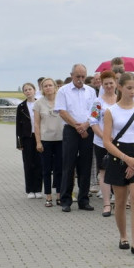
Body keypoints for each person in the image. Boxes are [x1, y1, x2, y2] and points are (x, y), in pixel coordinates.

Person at [103, 72, 134, 255]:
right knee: (120, 201)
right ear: (120, 87)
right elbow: (107, 141)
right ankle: (123, 236)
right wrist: (126, 159)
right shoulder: (111, 111)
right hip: (118, 155)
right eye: (128, 88)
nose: (132, 91)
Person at [54, 64, 96, 212]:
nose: (80, 79)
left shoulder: (91, 91)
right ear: (71, 75)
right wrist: (77, 126)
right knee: (68, 165)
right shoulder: (63, 91)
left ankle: (84, 200)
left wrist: (86, 125)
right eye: (77, 76)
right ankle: (65, 200)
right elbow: (62, 111)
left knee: (85, 165)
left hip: (87, 130)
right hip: (71, 130)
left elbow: (95, 111)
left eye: (83, 76)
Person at [88, 70, 118, 215]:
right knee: (104, 172)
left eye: (111, 83)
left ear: (115, 83)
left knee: (120, 171)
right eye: (106, 84)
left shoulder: (120, 99)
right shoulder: (97, 102)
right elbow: (93, 122)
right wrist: (104, 137)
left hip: (119, 143)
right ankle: (106, 204)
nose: (109, 86)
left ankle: (119, 200)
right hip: (101, 143)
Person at [33, 77, 63, 207]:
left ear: (55, 87)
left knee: (59, 169)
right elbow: (36, 124)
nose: (48, 88)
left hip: (61, 139)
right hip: (46, 140)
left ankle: (59, 195)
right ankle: (48, 196)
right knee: (46, 170)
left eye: (50, 85)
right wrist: (38, 142)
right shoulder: (38, 103)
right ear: (42, 88)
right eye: (45, 86)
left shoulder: (62, 101)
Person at [16, 82, 43, 199]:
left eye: (29, 89)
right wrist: (19, 142)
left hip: (39, 137)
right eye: (25, 90)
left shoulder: (40, 104)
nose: (28, 92)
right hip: (27, 138)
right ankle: (30, 190)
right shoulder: (21, 107)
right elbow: (18, 126)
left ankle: (38, 189)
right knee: (28, 163)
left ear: (34, 90)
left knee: (39, 163)